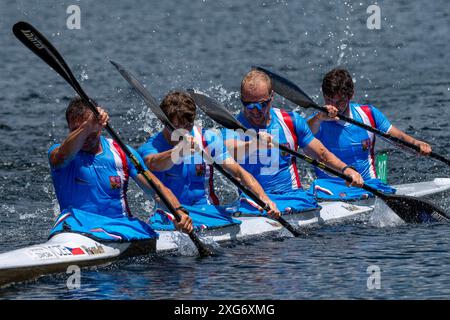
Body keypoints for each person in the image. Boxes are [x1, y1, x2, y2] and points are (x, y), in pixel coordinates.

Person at [48, 97, 193, 242]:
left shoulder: (121, 152)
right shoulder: (59, 153)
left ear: (101, 125)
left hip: (121, 228)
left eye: (92, 129)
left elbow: (157, 189)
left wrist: (179, 212)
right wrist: (87, 127)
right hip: (77, 227)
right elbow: (62, 155)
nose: (86, 136)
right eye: (76, 129)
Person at [222, 69, 364, 215]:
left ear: (272, 97)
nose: (255, 111)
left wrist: (346, 170)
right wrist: (254, 144)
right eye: (248, 105)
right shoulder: (234, 127)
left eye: (261, 104)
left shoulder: (290, 121)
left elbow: (321, 155)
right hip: (256, 202)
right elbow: (227, 150)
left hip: (293, 197)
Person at [138, 91, 279, 229]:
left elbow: (238, 173)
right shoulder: (153, 146)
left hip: (208, 211)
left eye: (188, 125)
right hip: (173, 214)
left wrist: (264, 198)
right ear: (165, 123)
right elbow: (153, 164)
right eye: (178, 127)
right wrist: (178, 151)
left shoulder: (208, 139)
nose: (185, 132)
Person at [307, 68, 432, 200]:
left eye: (339, 101)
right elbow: (301, 137)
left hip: (367, 185)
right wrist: (319, 118)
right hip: (330, 188)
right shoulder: (317, 120)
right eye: (329, 100)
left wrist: (416, 143)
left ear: (351, 95)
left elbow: (398, 137)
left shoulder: (368, 115)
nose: (333, 106)